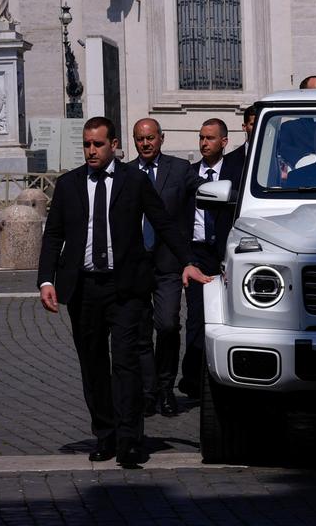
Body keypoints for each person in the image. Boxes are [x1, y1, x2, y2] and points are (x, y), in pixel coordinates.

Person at [37, 117, 209, 469]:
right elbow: (53, 235)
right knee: (93, 365)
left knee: (127, 362)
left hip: (126, 287)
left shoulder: (134, 180)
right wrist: (46, 280)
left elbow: (163, 222)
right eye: (86, 144)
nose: (91, 151)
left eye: (97, 144)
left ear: (114, 144)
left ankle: (131, 440)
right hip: (84, 288)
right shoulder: (69, 184)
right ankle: (106, 435)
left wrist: (187, 262)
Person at [128, 118, 197, 417]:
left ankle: (167, 387)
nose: (145, 144)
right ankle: (148, 391)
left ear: (161, 138)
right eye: (140, 139)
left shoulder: (180, 170)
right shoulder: (126, 173)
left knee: (168, 324)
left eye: (150, 138)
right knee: (141, 333)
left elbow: (204, 192)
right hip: (135, 265)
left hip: (169, 263)